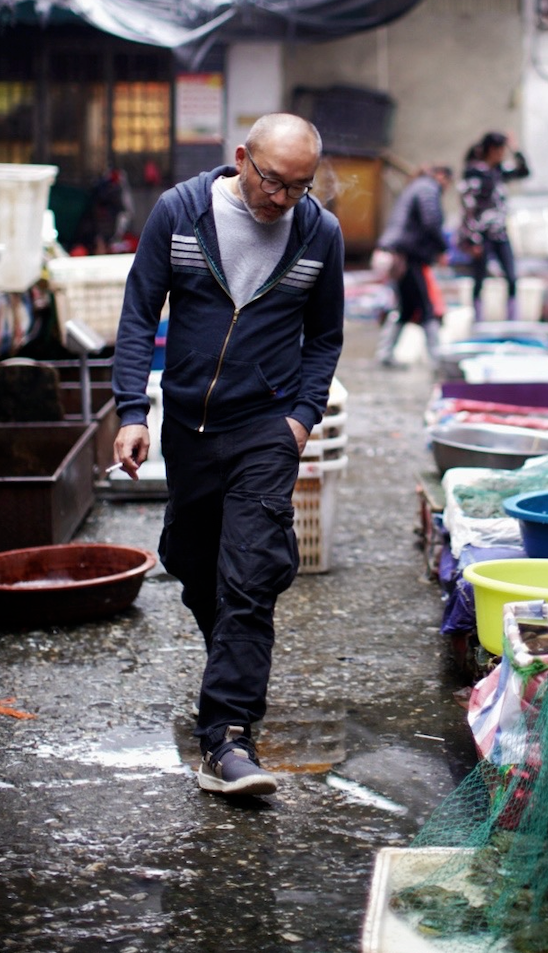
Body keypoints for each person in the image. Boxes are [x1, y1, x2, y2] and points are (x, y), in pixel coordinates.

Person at [111, 112, 345, 797]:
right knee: (190, 558)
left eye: (299, 187)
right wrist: (132, 410)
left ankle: (228, 737)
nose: (281, 199)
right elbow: (139, 312)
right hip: (189, 424)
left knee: (250, 576)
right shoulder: (180, 213)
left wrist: (300, 419)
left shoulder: (319, 233)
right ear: (242, 158)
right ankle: (236, 656)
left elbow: (325, 337)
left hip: (266, 427)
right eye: (272, 181)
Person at [374, 164, 452, 366]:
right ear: (441, 176)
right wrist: (442, 249)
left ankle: (385, 355)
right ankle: (437, 360)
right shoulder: (428, 188)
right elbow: (431, 222)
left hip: (397, 253)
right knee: (425, 307)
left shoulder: (416, 186)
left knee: (406, 308)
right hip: (407, 256)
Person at [458, 131, 529, 320]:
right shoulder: (475, 173)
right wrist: (472, 239)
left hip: (500, 232)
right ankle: (477, 317)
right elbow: (468, 208)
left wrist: (515, 149)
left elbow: (524, 171)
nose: (502, 154)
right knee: (479, 278)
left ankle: (512, 318)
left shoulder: (499, 171)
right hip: (481, 234)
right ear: (492, 149)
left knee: (511, 277)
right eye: (500, 150)